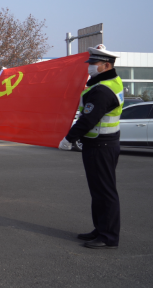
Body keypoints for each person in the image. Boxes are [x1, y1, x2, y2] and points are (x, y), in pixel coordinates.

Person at [59, 45, 123, 249]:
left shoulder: (103, 90)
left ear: (106, 65)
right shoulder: (110, 81)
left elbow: (88, 119)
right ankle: (101, 228)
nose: (89, 68)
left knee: (105, 192)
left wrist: (69, 138)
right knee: (98, 192)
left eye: (94, 64)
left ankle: (108, 236)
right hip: (102, 144)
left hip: (101, 146)